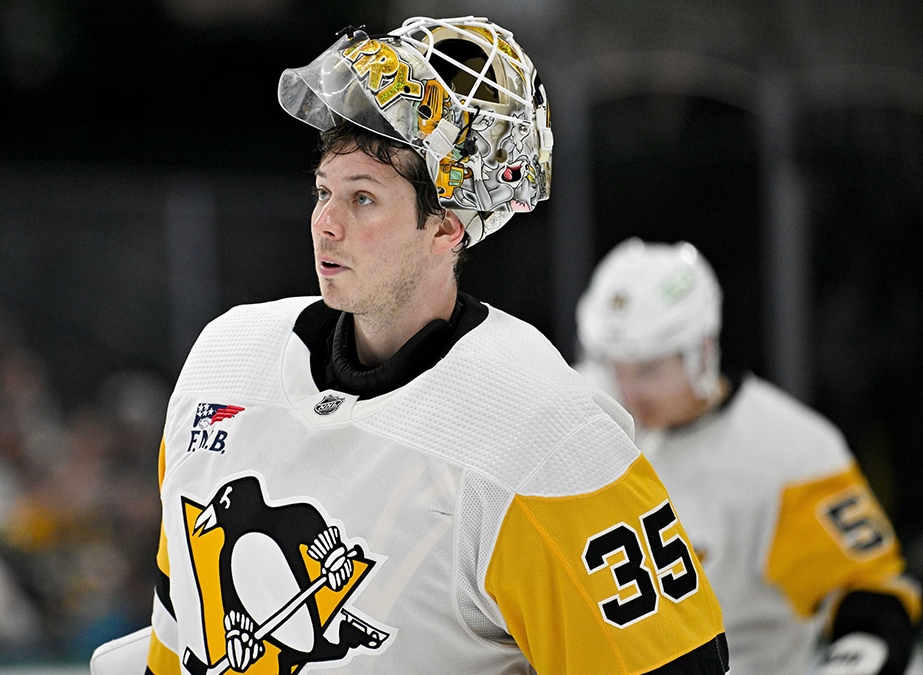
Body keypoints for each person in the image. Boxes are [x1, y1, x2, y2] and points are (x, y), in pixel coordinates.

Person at [140, 17, 729, 674]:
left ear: (447, 228)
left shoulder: (542, 429)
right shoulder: (224, 361)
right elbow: (175, 641)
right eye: (324, 191)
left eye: (363, 198)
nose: (325, 223)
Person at [575, 238, 921, 675]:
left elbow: (874, 594)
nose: (627, 390)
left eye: (648, 369)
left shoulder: (787, 453)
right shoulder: (580, 414)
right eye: (614, 366)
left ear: (702, 350)